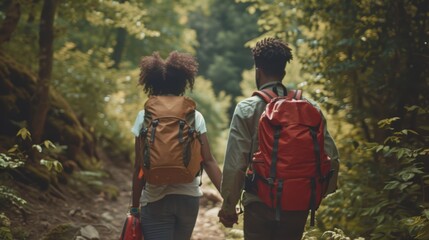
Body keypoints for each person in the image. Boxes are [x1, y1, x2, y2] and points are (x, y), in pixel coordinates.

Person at [218, 37, 340, 240]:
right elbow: (332, 158)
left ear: (258, 70)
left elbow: (235, 163)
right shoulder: (309, 108)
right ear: (283, 72)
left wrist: (229, 207)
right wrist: (314, 192)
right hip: (297, 203)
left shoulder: (246, 109)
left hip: (259, 202)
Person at [130, 51, 222, 240]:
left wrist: (134, 205)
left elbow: (139, 166)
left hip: (155, 198)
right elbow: (209, 161)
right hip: (188, 198)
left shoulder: (144, 116)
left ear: (152, 84)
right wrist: (228, 200)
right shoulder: (194, 116)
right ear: (183, 83)